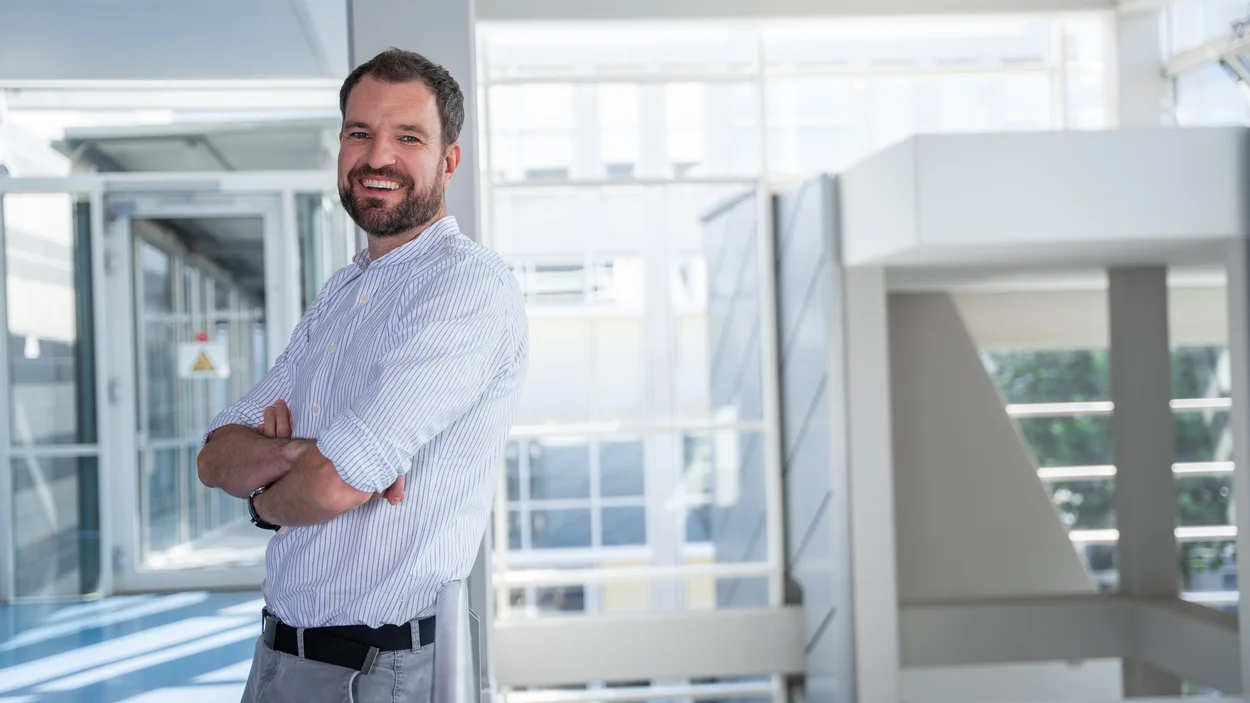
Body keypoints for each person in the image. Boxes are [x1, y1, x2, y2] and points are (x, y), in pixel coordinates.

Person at [196, 47, 528, 703]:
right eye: (359, 133)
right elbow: (215, 454)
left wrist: (262, 499)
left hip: (374, 674)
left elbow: (333, 485)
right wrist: (302, 454)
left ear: (449, 161)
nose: (378, 158)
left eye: (408, 137)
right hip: (276, 658)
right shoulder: (344, 293)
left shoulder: (467, 286)